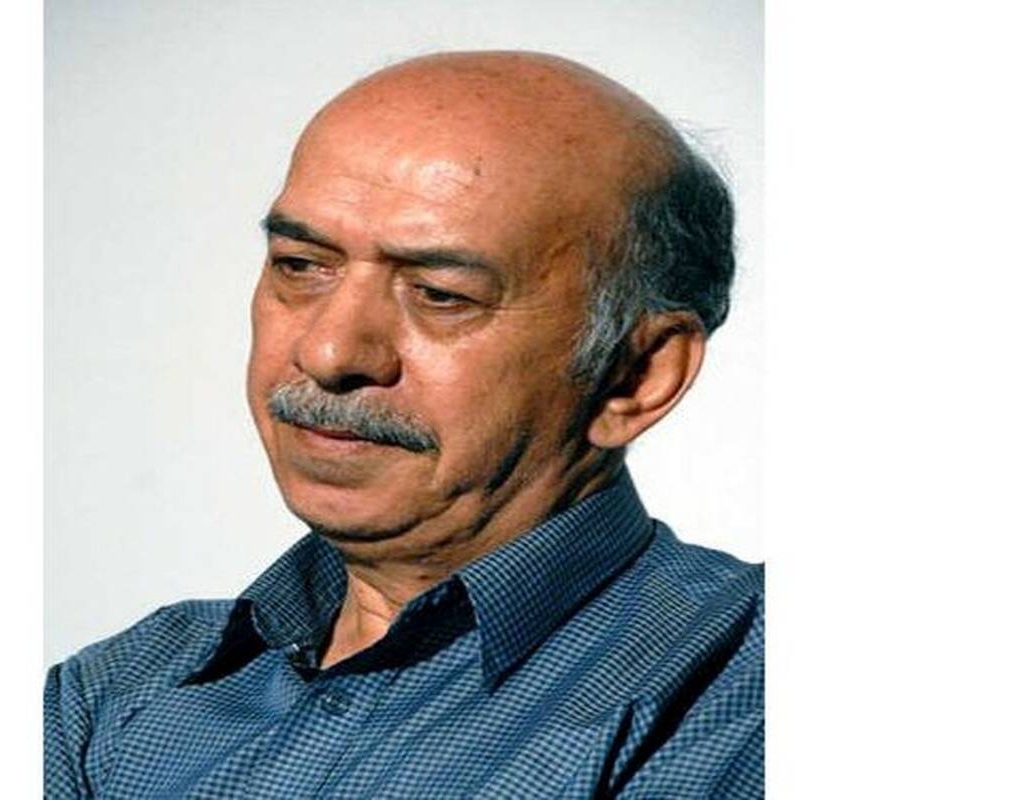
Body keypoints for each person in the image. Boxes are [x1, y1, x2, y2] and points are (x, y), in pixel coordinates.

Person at [45, 51, 763, 798]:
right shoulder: (115, 695)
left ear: (636, 376)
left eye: (440, 294)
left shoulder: (743, 691)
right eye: (301, 265)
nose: (328, 353)